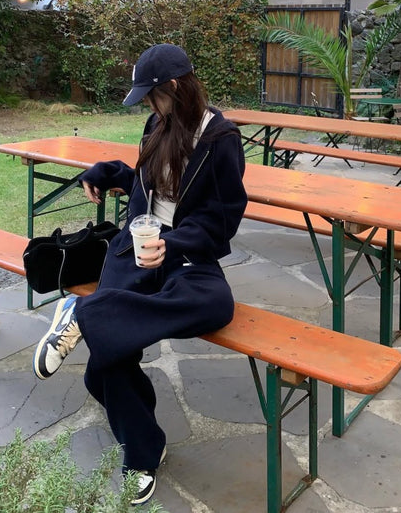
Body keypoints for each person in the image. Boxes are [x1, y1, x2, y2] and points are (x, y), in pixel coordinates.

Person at [32, 43, 247, 505]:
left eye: (152, 96)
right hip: (135, 246)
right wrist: (107, 171)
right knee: (109, 363)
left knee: (216, 303)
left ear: (175, 87)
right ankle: (142, 453)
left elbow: (223, 218)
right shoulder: (157, 124)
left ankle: (84, 312)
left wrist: (176, 243)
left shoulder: (220, 138)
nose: (148, 105)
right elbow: (147, 184)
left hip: (183, 252)